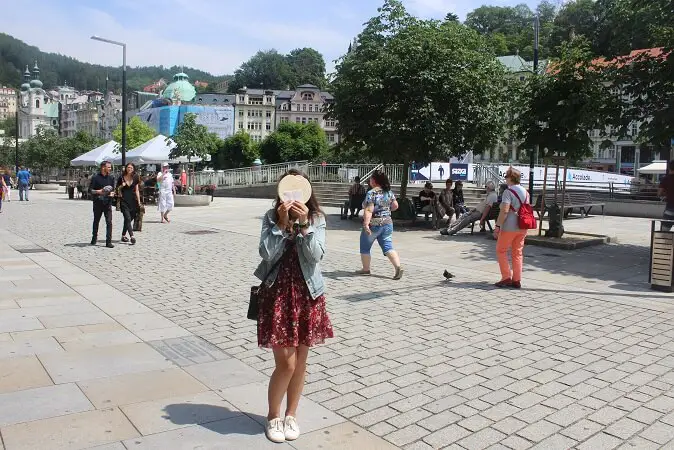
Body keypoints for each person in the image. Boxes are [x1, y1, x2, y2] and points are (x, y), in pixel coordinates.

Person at [255, 169, 333, 444]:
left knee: (300, 361)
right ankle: (273, 416)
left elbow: (316, 256)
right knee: (286, 364)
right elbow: (266, 253)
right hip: (278, 294)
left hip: (307, 294)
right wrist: (280, 224)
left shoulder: (316, 218)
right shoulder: (271, 217)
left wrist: (304, 226)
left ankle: (291, 415)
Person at [357, 170, 404, 280]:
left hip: (374, 222)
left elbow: (369, 210)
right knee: (388, 246)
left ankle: (366, 269)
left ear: (374, 180)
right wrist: (385, 209)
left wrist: (366, 224)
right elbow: (395, 206)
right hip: (387, 222)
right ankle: (398, 267)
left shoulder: (371, 193)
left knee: (365, 246)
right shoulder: (389, 192)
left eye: (371, 178)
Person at [493, 167, 529, 289]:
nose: (505, 179)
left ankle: (506, 277)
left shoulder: (508, 192)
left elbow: (504, 211)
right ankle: (517, 280)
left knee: (501, 250)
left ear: (511, 178)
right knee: (517, 252)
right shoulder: (526, 192)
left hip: (509, 226)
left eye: (506, 176)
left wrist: (498, 226)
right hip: (522, 226)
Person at [89, 161, 116, 248]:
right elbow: (90, 190)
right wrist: (99, 191)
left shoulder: (111, 178)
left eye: (110, 167)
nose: (110, 169)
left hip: (108, 203)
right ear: (103, 167)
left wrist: (112, 193)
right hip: (98, 202)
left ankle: (108, 241)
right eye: (109, 167)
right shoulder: (95, 177)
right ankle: (94, 237)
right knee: (96, 220)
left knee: (109, 222)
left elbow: (113, 189)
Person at [117, 163, 141, 245]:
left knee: (130, 219)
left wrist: (139, 202)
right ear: (126, 168)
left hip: (133, 200)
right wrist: (122, 185)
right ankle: (132, 236)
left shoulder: (136, 177)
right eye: (128, 167)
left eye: (131, 167)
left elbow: (137, 190)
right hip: (124, 200)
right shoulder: (121, 177)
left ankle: (123, 235)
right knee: (127, 218)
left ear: (133, 169)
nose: (129, 169)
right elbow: (117, 188)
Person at [658, 160, 674, 231]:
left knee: (664, 231)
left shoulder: (666, 179)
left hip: (670, 207)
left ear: (669, 168)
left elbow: (659, 193)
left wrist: (666, 194)